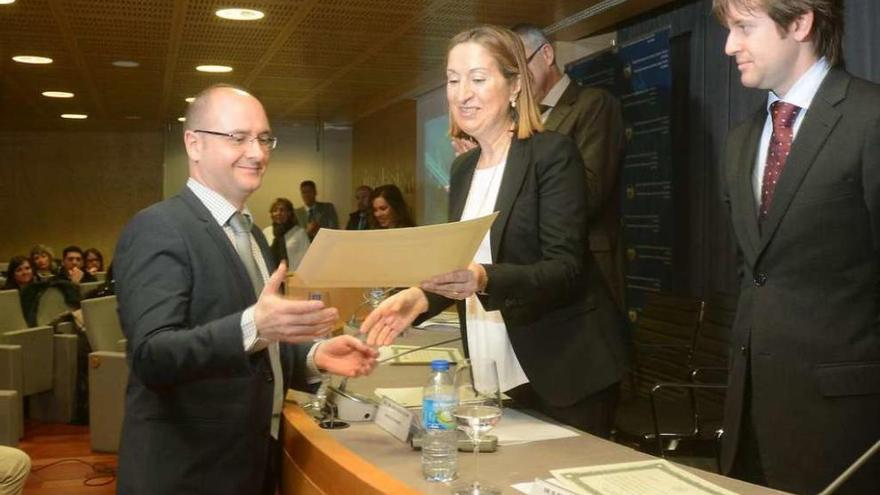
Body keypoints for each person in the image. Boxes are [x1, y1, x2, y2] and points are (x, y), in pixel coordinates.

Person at [361, 25, 628, 438]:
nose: (462, 93)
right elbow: (460, 269)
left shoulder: (551, 153)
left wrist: (484, 277)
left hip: (565, 368)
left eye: (478, 78)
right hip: (494, 370)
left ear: (516, 85)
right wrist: (417, 299)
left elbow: (565, 269)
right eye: (453, 80)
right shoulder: (463, 169)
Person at [113, 84, 378, 495]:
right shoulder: (159, 228)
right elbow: (153, 355)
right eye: (238, 138)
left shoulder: (250, 231)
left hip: (249, 463)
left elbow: (256, 343)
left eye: (264, 138)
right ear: (194, 143)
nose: (257, 152)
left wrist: (312, 355)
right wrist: (255, 323)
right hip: (188, 473)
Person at [714, 1, 880, 493]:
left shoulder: (871, 118)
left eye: (744, 27)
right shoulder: (741, 141)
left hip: (846, 426)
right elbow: (754, 273)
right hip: (749, 422)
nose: (729, 46)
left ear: (801, 23)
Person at [512, 23, 627, 311]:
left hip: (588, 270)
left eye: (519, 65)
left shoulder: (593, 105)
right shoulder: (519, 122)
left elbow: (590, 193)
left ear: (547, 54)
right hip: (538, 272)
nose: (516, 79)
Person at [262, 197, 309, 271]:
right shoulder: (266, 231)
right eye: (275, 210)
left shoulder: (299, 232)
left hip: (293, 276)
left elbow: (306, 258)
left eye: (282, 210)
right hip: (271, 276)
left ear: (289, 213)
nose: (278, 213)